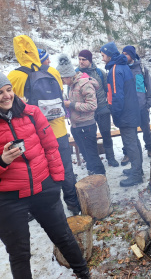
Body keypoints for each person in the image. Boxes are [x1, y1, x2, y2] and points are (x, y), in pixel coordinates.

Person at [0, 73, 90, 279]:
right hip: (9, 199)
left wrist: (55, 182)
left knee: (64, 237)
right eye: (0, 93)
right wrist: (2, 161)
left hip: (43, 189)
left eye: (8, 90)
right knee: (19, 253)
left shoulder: (31, 113)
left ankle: (84, 274)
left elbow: (51, 147)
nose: (6, 96)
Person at [8, 35, 80, 215]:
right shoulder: (52, 71)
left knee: (39, 171)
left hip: (32, 134)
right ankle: (72, 203)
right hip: (58, 130)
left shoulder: (14, 76)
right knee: (65, 168)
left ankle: (47, 210)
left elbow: (12, 105)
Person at [100, 42, 143, 187]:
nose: (102, 58)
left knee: (130, 143)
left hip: (125, 112)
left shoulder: (115, 69)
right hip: (132, 109)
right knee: (134, 141)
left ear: (110, 55)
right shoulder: (123, 66)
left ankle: (137, 175)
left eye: (103, 55)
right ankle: (138, 169)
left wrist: (115, 113)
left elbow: (117, 95)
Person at [57, 54, 106, 176]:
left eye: (62, 79)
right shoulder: (71, 85)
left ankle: (100, 177)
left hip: (87, 126)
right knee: (86, 154)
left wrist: (71, 105)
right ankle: (92, 174)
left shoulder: (85, 84)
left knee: (92, 155)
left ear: (68, 76)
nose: (62, 82)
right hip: (76, 126)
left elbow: (92, 106)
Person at [76, 49, 119, 167]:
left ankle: (111, 158)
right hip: (86, 112)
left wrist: (107, 105)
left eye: (83, 59)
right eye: (79, 59)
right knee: (91, 138)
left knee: (106, 134)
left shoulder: (100, 72)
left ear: (89, 60)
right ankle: (95, 161)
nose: (81, 62)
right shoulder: (76, 74)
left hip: (102, 109)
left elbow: (107, 89)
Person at [122, 45, 151, 161]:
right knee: (130, 133)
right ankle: (127, 152)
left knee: (146, 129)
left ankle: (150, 148)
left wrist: (149, 101)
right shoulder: (122, 69)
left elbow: (149, 86)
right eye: (123, 53)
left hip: (142, 106)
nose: (124, 56)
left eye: (126, 54)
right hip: (128, 109)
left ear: (132, 55)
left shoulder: (141, 68)